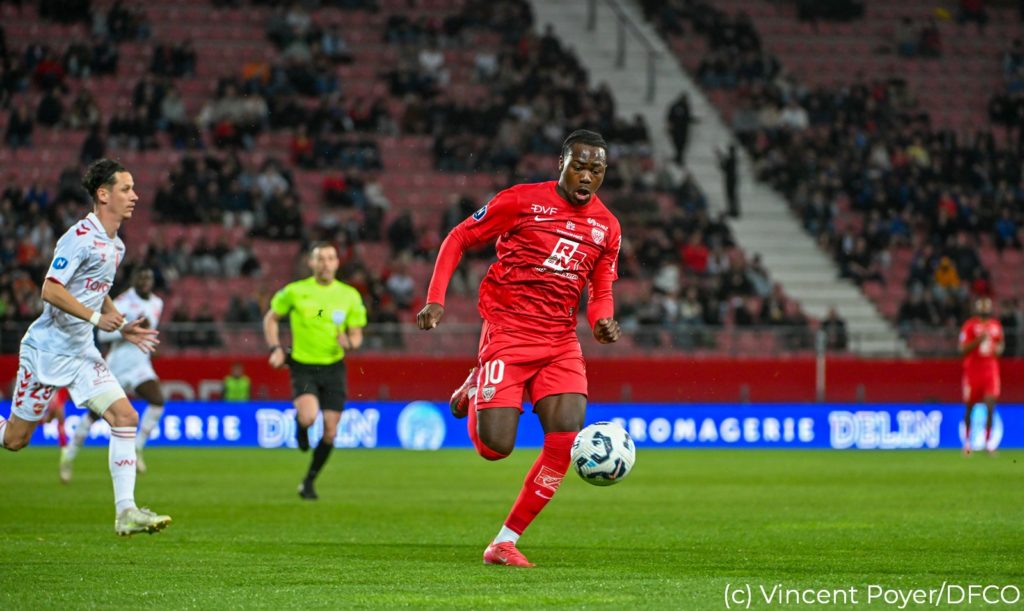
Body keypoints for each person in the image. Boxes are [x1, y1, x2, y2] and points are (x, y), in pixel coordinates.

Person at [416, 129, 622, 567]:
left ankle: (504, 542)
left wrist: (601, 321)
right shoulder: (522, 201)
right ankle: (477, 386)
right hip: (508, 332)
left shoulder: (607, 226)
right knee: (495, 448)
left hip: (560, 341)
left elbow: (601, 290)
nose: (587, 177)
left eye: (597, 169)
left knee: (564, 438)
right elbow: (458, 238)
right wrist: (435, 299)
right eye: (580, 166)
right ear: (561, 164)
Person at [0, 158, 170, 536]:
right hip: (46, 352)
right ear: (103, 194)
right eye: (126, 189)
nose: (135, 196)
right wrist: (95, 319)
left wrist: (120, 324)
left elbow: (98, 286)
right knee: (15, 440)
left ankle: (126, 511)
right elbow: (50, 289)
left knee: (125, 417)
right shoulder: (78, 236)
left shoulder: (116, 246)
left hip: (81, 353)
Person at [263, 242, 367, 500]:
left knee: (331, 431)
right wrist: (276, 348)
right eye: (320, 258)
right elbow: (271, 318)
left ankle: (309, 481)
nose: (325, 263)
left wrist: (350, 343)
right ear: (311, 263)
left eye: (330, 258)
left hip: (333, 367)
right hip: (303, 365)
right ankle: (301, 426)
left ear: (337, 263)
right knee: (309, 418)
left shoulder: (349, 295)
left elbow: (357, 335)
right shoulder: (295, 291)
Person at [61, 267, 166, 482]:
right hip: (117, 366)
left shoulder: (158, 303)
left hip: (140, 366)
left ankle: (137, 447)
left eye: (148, 277)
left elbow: (150, 332)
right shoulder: (122, 302)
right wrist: (128, 330)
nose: (145, 281)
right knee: (93, 415)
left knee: (158, 401)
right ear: (133, 280)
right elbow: (102, 335)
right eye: (141, 277)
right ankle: (68, 455)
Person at [959, 296, 1004, 456]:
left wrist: (998, 349)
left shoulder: (996, 326)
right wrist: (978, 340)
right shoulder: (969, 326)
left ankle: (988, 442)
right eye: (982, 306)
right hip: (973, 370)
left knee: (990, 406)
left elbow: (1000, 346)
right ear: (977, 308)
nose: (985, 309)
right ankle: (967, 443)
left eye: (987, 306)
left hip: (990, 370)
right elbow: (962, 349)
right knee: (969, 407)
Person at [717, 144, 740, 218]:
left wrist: (719, 156)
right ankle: (733, 210)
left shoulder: (731, 159)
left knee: (730, 195)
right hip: (732, 179)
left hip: (730, 180)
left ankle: (733, 210)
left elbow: (723, 167)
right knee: (732, 195)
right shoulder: (733, 158)